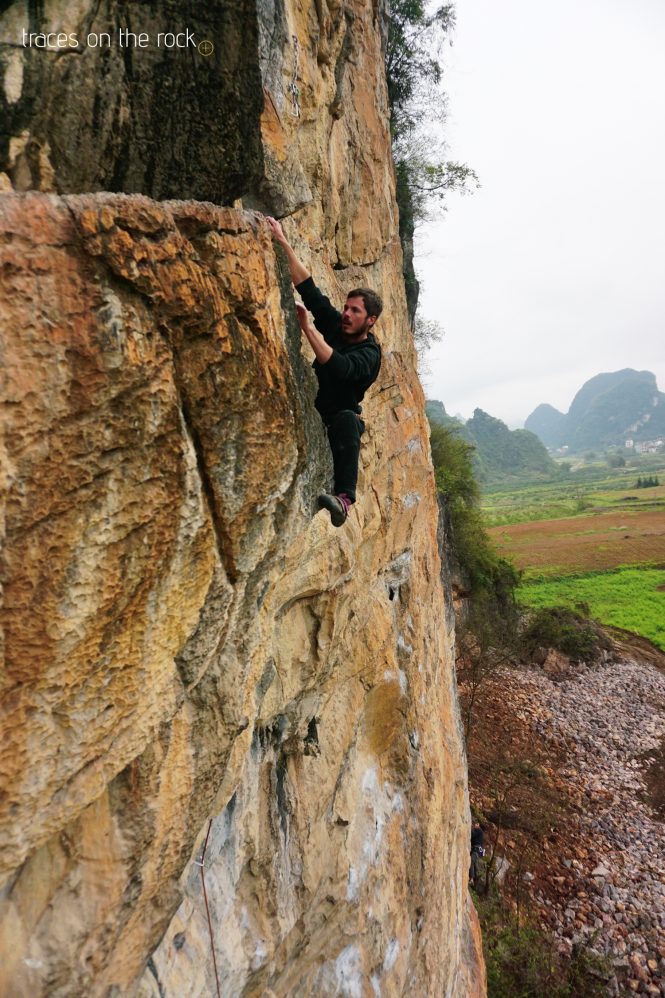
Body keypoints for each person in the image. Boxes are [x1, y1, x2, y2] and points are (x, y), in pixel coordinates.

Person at [266, 216, 382, 526]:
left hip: (336, 417)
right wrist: (282, 240)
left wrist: (306, 328)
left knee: (349, 420)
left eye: (355, 311)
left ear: (370, 320)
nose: (346, 314)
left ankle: (344, 500)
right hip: (311, 402)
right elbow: (309, 288)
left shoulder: (369, 354)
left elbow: (341, 367)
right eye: (346, 308)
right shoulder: (337, 325)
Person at [470, 820, 485, 889]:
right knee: (475, 865)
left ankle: (471, 879)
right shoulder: (480, 833)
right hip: (477, 851)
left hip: (476, 850)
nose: (474, 825)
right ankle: (476, 880)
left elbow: (472, 835)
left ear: (478, 825)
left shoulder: (479, 830)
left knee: (471, 863)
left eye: (476, 824)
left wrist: (470, 829)